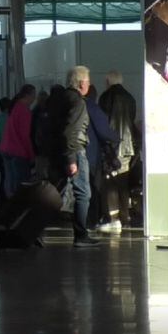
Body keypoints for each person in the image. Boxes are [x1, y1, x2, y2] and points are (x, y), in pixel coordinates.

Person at [49, 66, 99, 248]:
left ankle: (36, 229)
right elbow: (72, 131)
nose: (89, 84)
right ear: (81, 83)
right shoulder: (78, 102)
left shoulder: (59, 99)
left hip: (58, 152)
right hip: (75, 151)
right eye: (87, 81)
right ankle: (81, 235)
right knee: (83, 193)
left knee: (54, 192)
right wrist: (71, 159)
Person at [99, 72, 136, 232]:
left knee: (110, 183)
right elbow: (132, 120)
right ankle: (125, 216)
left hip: (111, 146)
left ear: (108, 81)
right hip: (127, 146)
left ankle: (113, 218)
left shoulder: (105, 97)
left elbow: (103, 123)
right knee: (123, 182)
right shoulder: (130, 98)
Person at [84, 87, 119, 231]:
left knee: (83, 189)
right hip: (92, 153)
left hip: (79, 152)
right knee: (94, 188)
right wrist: (117, 137)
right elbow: (105, 131)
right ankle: (93, 221)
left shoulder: (76, 105)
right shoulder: (93, 107)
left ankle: (85, 221)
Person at [0, 85, 36, 198]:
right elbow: (25, 136)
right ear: (28, 95)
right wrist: (31, 155)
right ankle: (18, 209)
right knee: (20, 184)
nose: (34, 99)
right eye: (33, 95)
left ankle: (10, 207)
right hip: (18, 151)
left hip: (6, 148)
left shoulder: (14, 107)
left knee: (9, 181)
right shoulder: (24, 111)